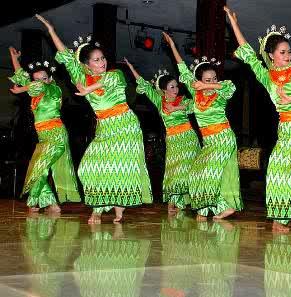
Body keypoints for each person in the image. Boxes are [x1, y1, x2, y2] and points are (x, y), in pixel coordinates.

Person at [225, 6, 291, 231]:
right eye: (283, 52)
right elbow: (246, 52)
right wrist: (234, 24)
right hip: (286, 127)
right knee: (277, 169)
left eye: (289, 51)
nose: (288, 55)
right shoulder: (267, 76)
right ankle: (280, 217)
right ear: (271, 55)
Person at [36, 14, 152, 224]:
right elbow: (65, 55)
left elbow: (107, 81)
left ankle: (113, 208)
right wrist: (51, 30)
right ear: (87, 64)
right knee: (89, 167)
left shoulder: (115, 74)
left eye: (103, 58)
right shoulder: (80, 76)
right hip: (105, 127)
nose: (103, 62)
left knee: (121, 167)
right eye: (97, 60)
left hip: (125, 124)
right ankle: (99, 206)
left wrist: (89, 88)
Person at [164, 32, 243, 221]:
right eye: (208, 80)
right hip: (208, 141)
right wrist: (173, 46)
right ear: (198, 81)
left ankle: (208, 210)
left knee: (210, 173)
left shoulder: (220, 93)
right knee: (198, 172)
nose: (212, 82)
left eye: (214, 78)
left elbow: (230, 86)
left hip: (223, 138)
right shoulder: (196, 93)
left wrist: (212, 86)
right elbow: (182, 69)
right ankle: (213, 207)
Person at [8, 46, 80, 213]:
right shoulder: (35, 93)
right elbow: (22, 77)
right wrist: (15, 59)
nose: (40, 82)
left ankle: (34, 201)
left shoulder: (54, 89)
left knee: (39, 167)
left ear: (49, 79)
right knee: (37, 168)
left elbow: (35, 86)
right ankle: (51, 203)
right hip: (43, 137)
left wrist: (21, 89)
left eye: (44, 78)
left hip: (56, 134)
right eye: (36, 79)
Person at [125, 59, 200, 213]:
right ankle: (173, 201)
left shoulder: (184, 101)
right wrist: (131, 67)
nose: (176, 89)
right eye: (172, 87)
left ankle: (193, 199)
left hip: (189, 138)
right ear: (163, 89)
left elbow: (198, 105)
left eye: (177, 86)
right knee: (174, 171)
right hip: (173, 140)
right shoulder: (159, 100)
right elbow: (144, 84)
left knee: (190, 169)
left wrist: (178, 106)